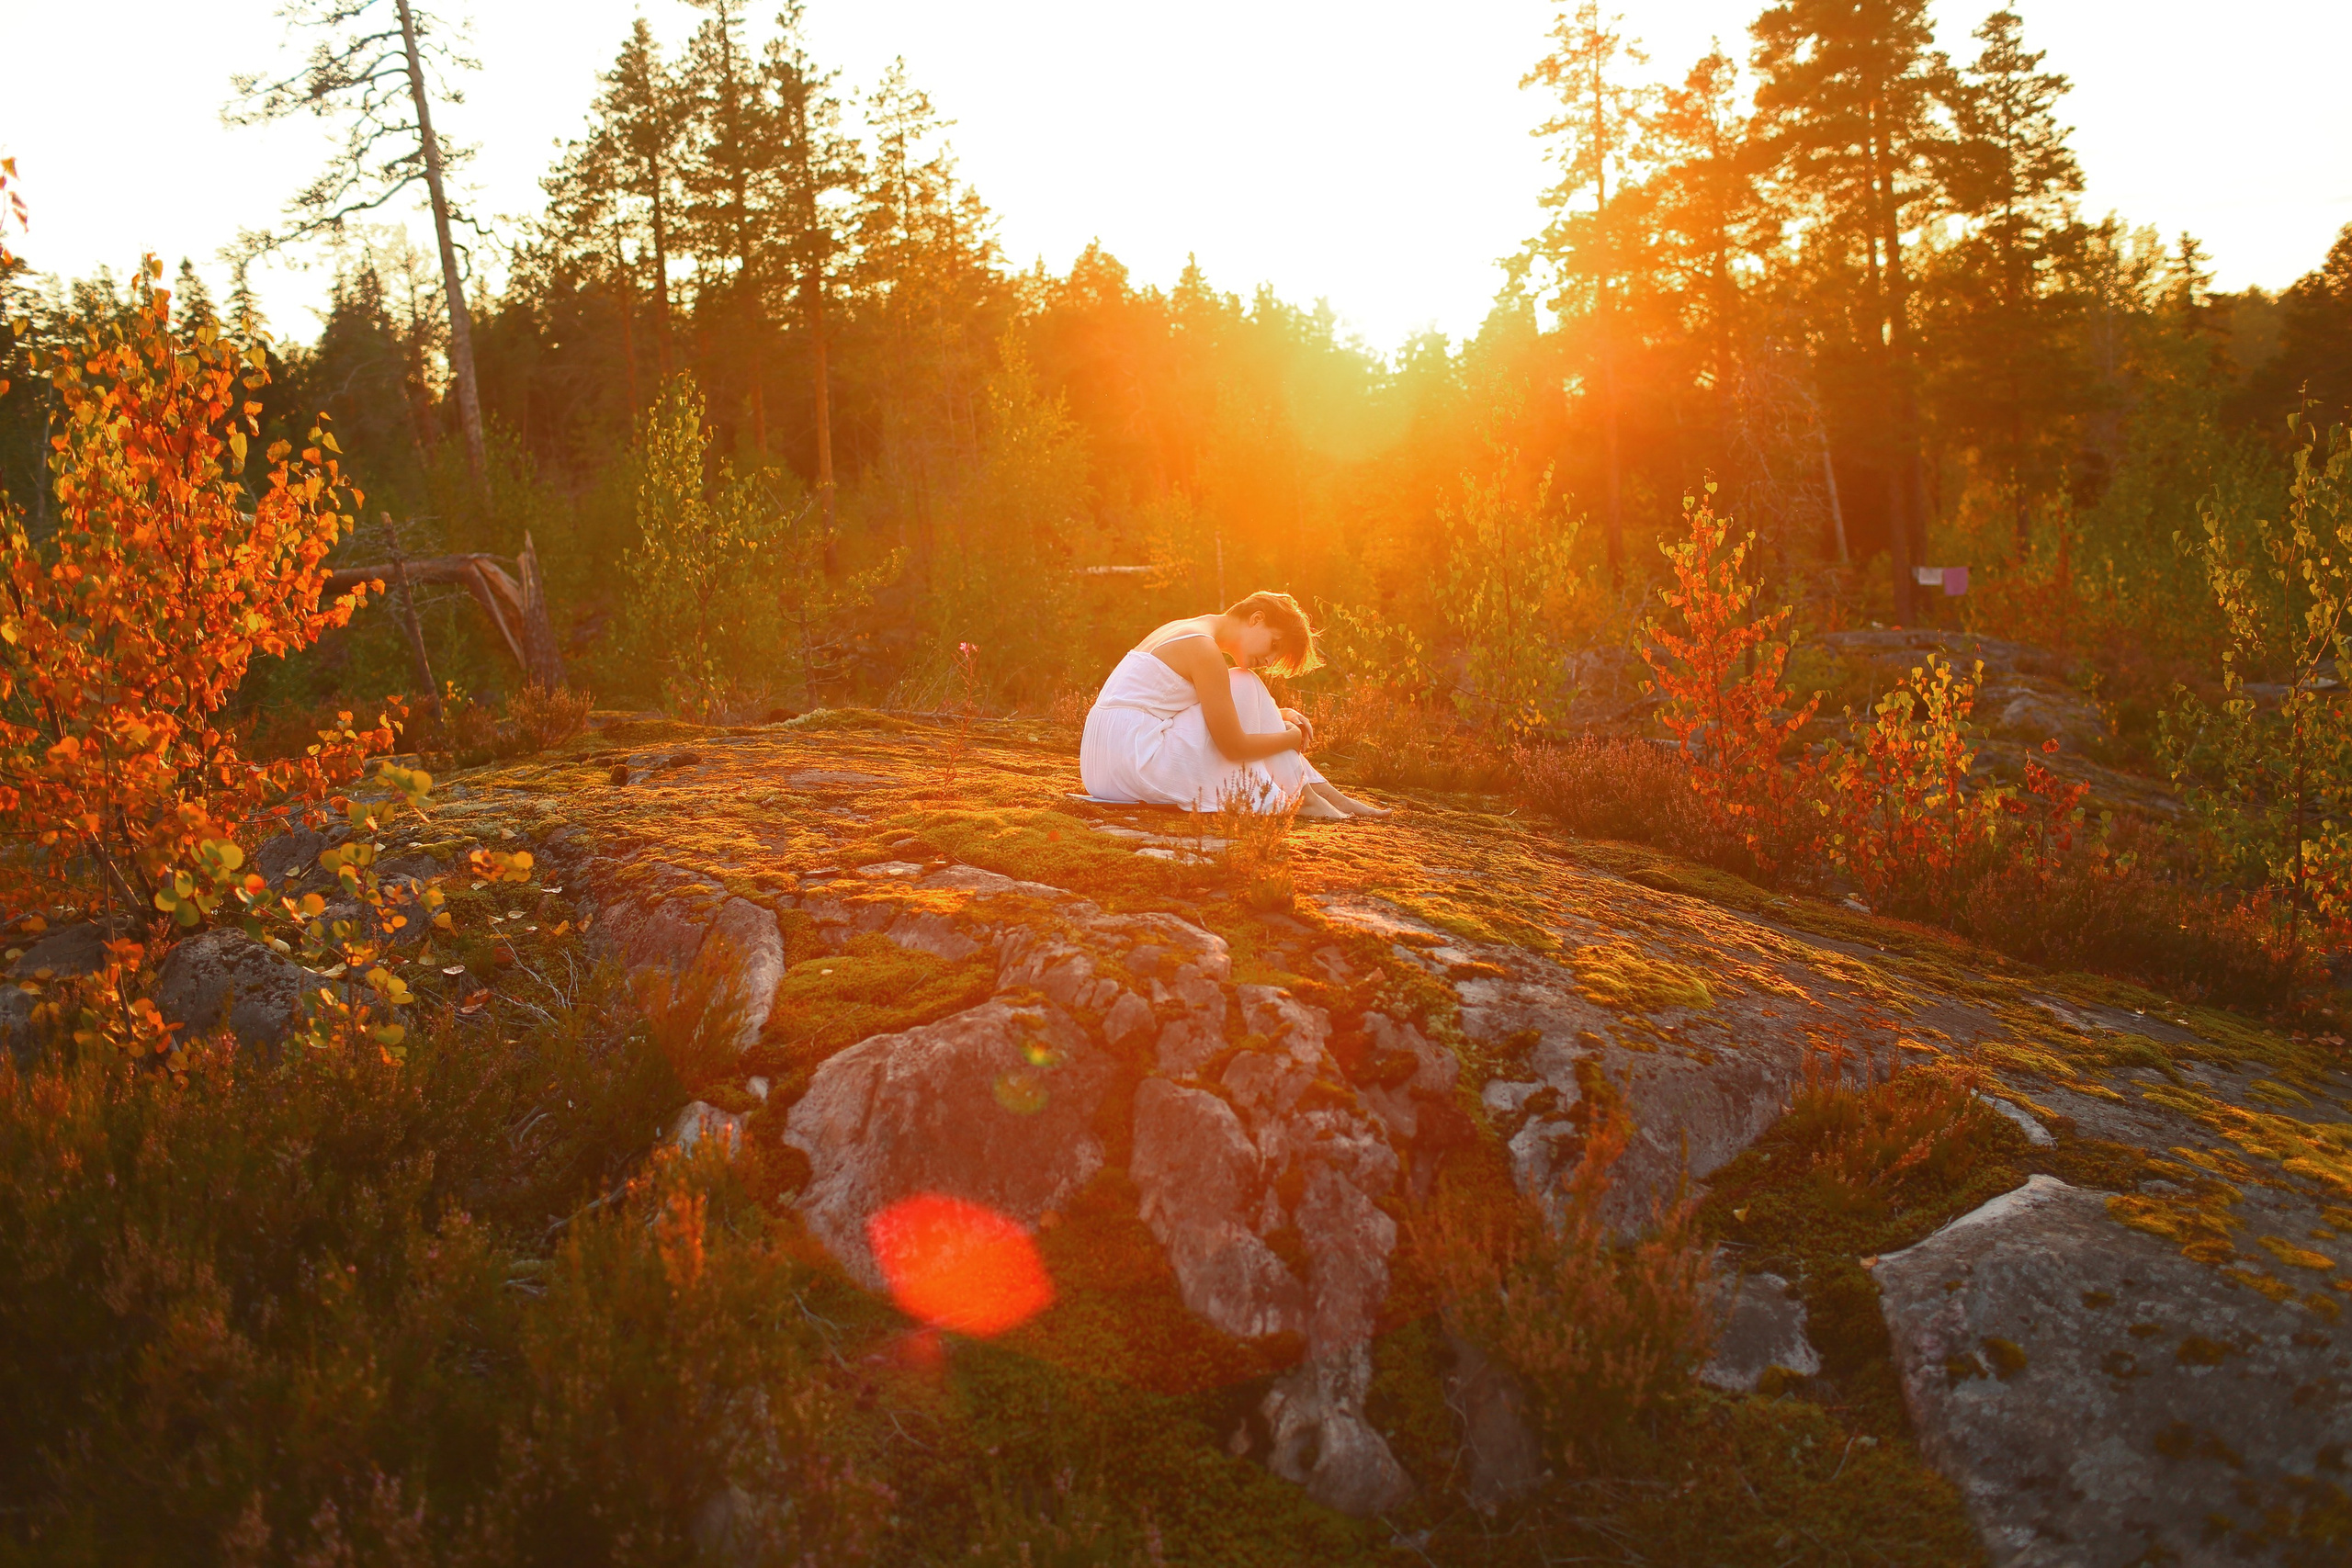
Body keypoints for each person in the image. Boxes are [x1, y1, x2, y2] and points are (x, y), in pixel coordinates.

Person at [1079, 591, 1388, 821]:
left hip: (1103, 762)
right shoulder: (1204, 649)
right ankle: (1304, 797)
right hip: (1133, 760)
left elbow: (1195, 704)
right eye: (1274, 645)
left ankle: (1322, 794)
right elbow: (1234, 747)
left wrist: (1276, 716)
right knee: (1245, 680)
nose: (1270, 660)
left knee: (1244, 682)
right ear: (1256, 619)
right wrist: (1291, 737)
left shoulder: (1187, 629)